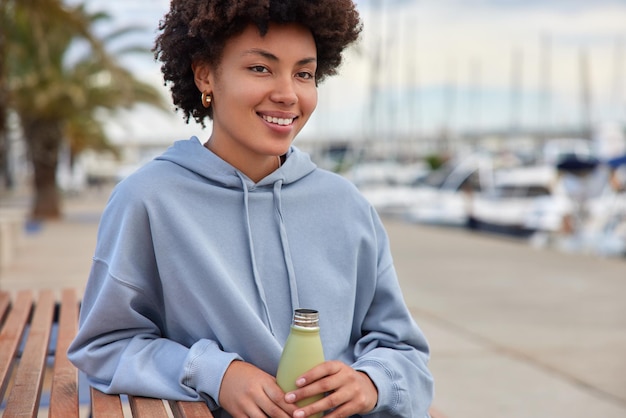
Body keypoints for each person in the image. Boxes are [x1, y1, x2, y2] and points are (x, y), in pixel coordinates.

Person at [68, 1, 434, 417]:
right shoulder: (148, 200)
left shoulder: (347, 206)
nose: (287, 94)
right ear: (205, 73)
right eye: (260, 68)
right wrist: (216, 374)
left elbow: (404, 353)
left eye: (304, 73)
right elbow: (105, 347)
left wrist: (371, 382)